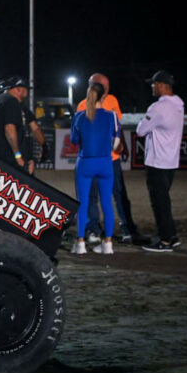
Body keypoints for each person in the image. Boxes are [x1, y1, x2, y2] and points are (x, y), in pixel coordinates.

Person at [75, 73, 149, 246]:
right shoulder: (82, 105)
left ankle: (127, 229)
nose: (107, 90)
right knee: (92, 196)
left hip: (112, 159)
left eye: (108, 86)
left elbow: (117, 125)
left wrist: (123, 144)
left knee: (119, 194)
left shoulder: (112, 101)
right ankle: (93, 229)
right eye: (104, 87)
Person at [69, 81, 119, 255]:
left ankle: (81, 243)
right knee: (107, 203)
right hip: (105, 162)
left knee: (82, 204)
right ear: (103, 96)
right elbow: (117, 138)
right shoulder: (111, 115)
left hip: (85, 162)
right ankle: (108, 244)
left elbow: (74, 140)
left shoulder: (80, 116)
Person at [138, 70, 185, 253]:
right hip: (171, 161)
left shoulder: (158, 107)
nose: (152, 87)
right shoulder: (178, 104)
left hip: (157, 161)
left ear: (161, 85)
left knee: (159, 202)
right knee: (164, 201)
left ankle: (165, 241)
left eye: (153, 84)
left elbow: (141, 130)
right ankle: (170, 235)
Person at [0, 75, 31, 169]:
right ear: (18, 89)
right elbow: (9, 129)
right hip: (6, 160)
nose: (27, 93)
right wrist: (18, 156)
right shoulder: (11, 101)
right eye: (25, 89)